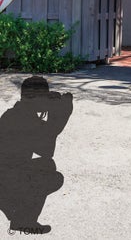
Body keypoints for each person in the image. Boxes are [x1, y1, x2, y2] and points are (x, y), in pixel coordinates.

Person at [0, 76, 73, 233]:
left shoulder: (18, 113)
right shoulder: (23, 119)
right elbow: (46, 150)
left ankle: (9, 204)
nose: (46, 101)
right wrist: (61, 116)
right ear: (34, 99)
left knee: (47, 166)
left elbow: (45, 153)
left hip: (7, 171)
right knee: (51, 178)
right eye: (44, 97)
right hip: (4, 177)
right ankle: (22, 220)